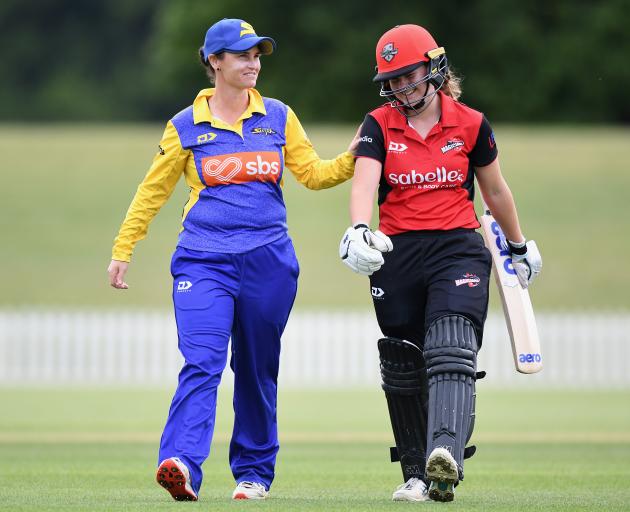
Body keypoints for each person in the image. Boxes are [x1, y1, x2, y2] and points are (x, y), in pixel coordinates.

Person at [108, 18, 359, 501]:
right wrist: (124, 249)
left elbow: (312, 173)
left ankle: (254, 474)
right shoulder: (185, 126)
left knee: (256, 367)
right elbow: (152, 193)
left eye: (258, 55)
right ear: (214, 61)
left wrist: (353, 156)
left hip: (269, 261)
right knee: (201, 362)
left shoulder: (279, 116)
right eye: (242, 55)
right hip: (203, 262)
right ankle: (181, 462)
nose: (253, 63)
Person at [338, 24, 542, 502]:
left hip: (458, 247)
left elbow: (494, 190)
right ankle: (415, 474)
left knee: (450, 345)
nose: (401, 88)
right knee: (403, 361)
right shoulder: (377, 124)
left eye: (408, 76)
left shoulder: (471, 124)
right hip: (397, 254)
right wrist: (357, 229)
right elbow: (363, 184)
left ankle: (444, 455)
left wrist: (517, 246)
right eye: (391, 80)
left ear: (433, 67)